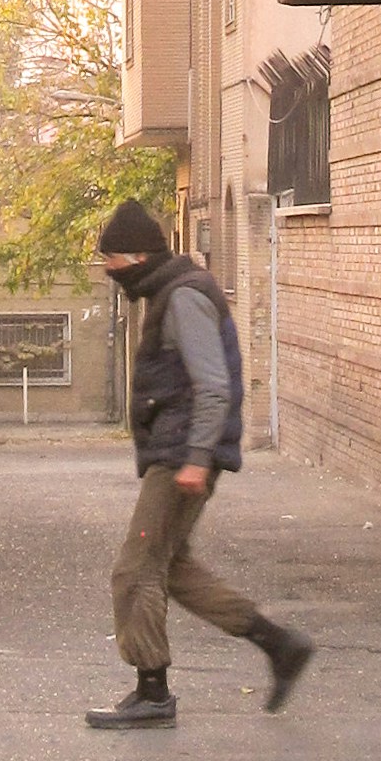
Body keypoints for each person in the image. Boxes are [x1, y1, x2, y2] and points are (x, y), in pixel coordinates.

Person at [86, 199, 314, 729]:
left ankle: (153, 692)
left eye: (112, 258)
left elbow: (213, 387)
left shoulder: (183, 297)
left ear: (139, 255)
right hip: (179, 451)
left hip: (182, 455)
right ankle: (279, 645)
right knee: (175, 569)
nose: (108, 268)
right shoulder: (168, 290)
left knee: (134, 569)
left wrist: (196, 459)